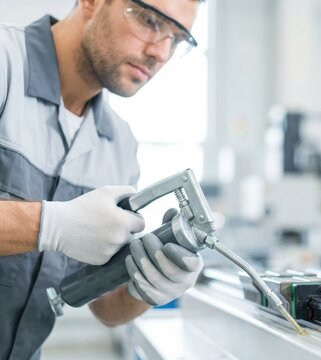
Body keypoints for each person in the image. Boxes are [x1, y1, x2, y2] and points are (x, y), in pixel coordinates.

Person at [0, 0, 205, 358]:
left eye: (177, 39)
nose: (160, 52)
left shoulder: (119, 147)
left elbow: (104, 306)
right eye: (150, 20)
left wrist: (148, 288)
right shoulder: (5, 63)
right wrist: (51, 225)